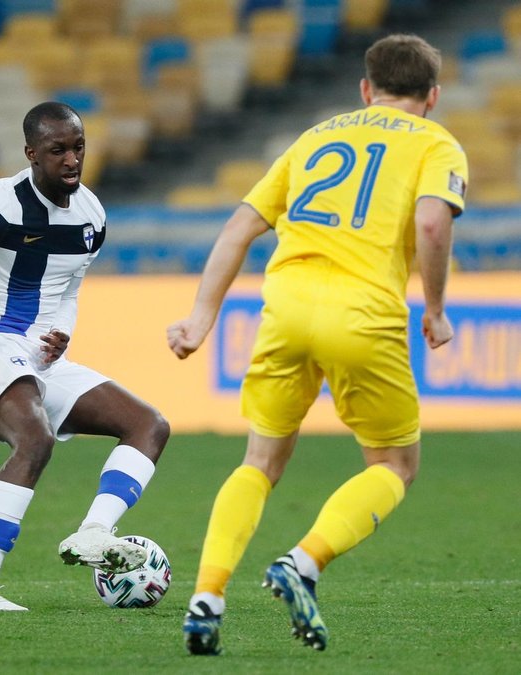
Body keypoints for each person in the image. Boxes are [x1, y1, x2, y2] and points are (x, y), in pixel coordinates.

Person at [166, 34, 466, 654]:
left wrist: (201, 317)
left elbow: (240, 227)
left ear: (365, 89)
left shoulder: (315, 137)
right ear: (432, 96)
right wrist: (433, 308)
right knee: (393, 466)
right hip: (364, 316)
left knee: (259, 462)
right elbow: (433, 223)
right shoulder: (437, 143)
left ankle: (206, 597)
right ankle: (302, 564)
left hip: (286, 308)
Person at [0, 101, 170, 611]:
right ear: (31, 154)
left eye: (79, 147)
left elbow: (69, 289)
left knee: (149, 425)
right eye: (58, 150)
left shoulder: (92, 215)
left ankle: (94, 533)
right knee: (35, 438)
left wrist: (62, 331)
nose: (72, 160)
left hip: (38, 356)